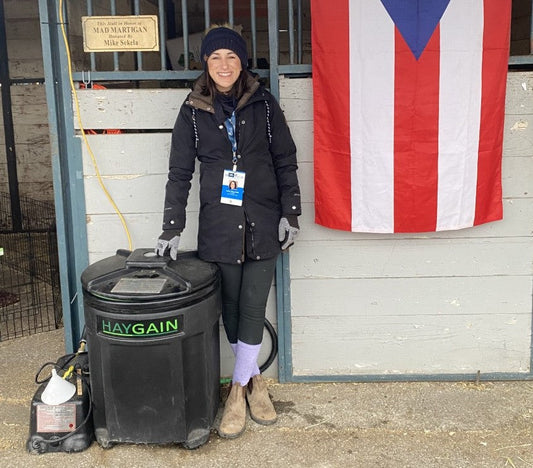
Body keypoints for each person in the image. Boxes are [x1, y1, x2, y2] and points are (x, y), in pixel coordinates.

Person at [155, 25, 301, 439]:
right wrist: (171, 227)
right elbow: (180, 173)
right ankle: (255, 383)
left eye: (232, 57)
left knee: (253, 308)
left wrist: (290, 213)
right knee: (232, 310)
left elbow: (286, 160)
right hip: (220, 224)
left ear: (242, 63)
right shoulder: (192, 110)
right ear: (205, 63)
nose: (224, 65)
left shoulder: (264, 105)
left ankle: (237, 392)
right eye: (216, 57)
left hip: (263, 221)